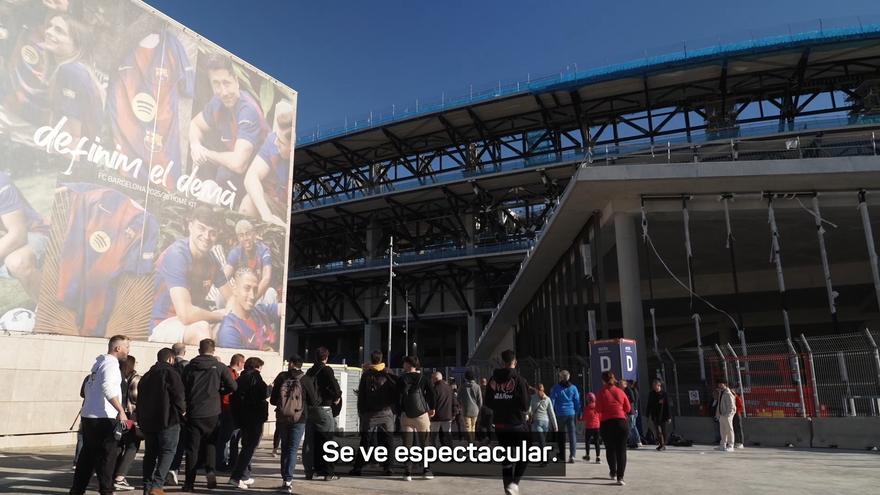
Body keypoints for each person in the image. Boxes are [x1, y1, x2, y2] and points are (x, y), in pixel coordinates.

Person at [188, 53, 268, 200]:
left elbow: (239, 163)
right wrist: (195, 146)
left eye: (226, 83)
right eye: (216, 84)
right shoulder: (217, 103)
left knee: (222, 176)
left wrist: (206, 154)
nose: (223, 92)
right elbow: (194, 125)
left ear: (237, 81)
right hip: (232, 175)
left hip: (262, 184)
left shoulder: (248, 110)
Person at [149, 206, 230, 345]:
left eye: (212, 232)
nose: (206, 236)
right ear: (190, 226)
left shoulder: (211, 259)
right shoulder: (176, 254)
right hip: (162, 322)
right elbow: (185, 314)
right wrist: (220, 315)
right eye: (201, 228)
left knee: (228, 330)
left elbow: (232, 298)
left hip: (193, 322)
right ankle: (209, 367)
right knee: (202, 329)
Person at [70, 335, 131, 495]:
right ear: (117, 348)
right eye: (127, 347)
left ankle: (77, 489)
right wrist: (121, 410)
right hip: (104, 418)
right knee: (107, 457)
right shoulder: (111, 365)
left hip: (89, 416)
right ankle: (106, 490)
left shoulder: (98, 365)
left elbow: (88, 389)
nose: (128, 350)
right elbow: (107, 387)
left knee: (87, 456)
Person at [180, 338, 237, 491]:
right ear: (213, 350)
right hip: (213, 412)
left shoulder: (190, 367)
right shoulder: (219, 367)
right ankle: (210, 473)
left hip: (194, 412)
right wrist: (220, 392)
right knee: (211, 444)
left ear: (199, 350)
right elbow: (233, 386)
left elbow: (182, 388)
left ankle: (188, 483)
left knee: (192, 449)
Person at [138, 347, 186, 495]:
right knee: (168, 451)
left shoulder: (146, 376)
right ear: (171, 359)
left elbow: (139, 399)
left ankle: (147, 485)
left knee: (150, 454)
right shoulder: (171, 373)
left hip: (148, 422)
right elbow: (178, 396)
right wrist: (182, 412)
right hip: (168, 420)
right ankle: (157, 485)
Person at [485, 349, 530, 495]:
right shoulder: (519, 380)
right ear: (514, 362)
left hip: (499, 424)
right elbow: (525, 405)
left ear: (502, 362)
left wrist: (500, 403)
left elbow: (488, 402)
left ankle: (508, 490)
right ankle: (514, 484)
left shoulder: (492, 379)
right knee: (525, 454)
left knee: (506, 459)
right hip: (516, 423)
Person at [0, 171, 49, 303]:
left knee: (17, 262)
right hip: (5, 242)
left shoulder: (1, 181)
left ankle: (52, 314)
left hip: (34, 233)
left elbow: (17, 234)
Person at [241, 110, 293, 226]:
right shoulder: (273, 141)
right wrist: (266, 215)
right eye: (277, 137)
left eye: (281, 142)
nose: (275, 142)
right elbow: (251, 177)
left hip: (294, 212)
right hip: (278, 204)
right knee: (249, 202)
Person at [350, 350, 397, 476]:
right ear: (381, 359)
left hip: (370, 413)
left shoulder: (367, 374)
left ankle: (358, 467)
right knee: (389, 440)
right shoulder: (388, 372)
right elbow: (395, 391)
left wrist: (361, 410)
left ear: (371, 359)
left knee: (365, 440)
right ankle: (388, 467)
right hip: (386, 412)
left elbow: (362, 395)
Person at [271, 354, 313, 492]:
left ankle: (284, 479)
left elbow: (272, 400)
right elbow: (314, 400)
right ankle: (288, 480)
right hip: (299, 418)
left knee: (284, 447)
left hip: (282, 418)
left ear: (291, 364)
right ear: (301, 365)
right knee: (293, 449)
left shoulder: (281, 377)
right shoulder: (306, 379)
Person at [216, 267, 281, 351]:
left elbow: (284, 309)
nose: (252, 296)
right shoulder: (229, 330)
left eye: (255, 289)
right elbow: (238, 362)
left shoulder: (260, 310)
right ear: (234, 289)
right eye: (247, 288)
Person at [228, 357, 268, 489]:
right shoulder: (256, 377)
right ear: (257, 367)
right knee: (249, 447)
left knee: (246, 446)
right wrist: (270, 389)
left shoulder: (240, 378)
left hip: (242, 418)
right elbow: (263, 394)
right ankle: (236, 477)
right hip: (254, 417)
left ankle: (244, 475)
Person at [303, 346, 342, 481]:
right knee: (326, 441)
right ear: (326, 357)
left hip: (310, 409)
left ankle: (310, 471)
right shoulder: (327, 369)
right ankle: (328, 472)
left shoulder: (309, 371)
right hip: (324, 409)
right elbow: (336, 389)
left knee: (310, 441)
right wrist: (336, 398)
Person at [397, 355, 436, 481]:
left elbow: (397, 397)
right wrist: (432, 408)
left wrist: (399, 412)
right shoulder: (423, 378)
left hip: (406, 416)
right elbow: (432, 394)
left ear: (408, 364)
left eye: (404, 363)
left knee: (407, 445)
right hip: (421, 415)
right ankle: (426, 470)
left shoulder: (401, 378)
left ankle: (407, 472)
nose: (403, 365)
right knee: (424, 443)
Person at [223, 220, 277, 305]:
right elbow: (224, 277)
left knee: (271, 293)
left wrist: (252, 298)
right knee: (220, 297)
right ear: (238, 238)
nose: (245, 238)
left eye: (248, 234)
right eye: (241, 236)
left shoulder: (263, 250)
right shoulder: (235, 252)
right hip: (242, 294)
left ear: (254, 234)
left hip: (258, 292)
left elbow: (266, 278)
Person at [595, 371, 631, 486]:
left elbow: (598, 409)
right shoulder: (620, 391)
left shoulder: (601, 393)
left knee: (610, 449)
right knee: (621, 450)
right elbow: (628, 408)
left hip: (607, 423)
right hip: (621, 423)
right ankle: (620, 477)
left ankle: (613, 472)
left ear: (603, 381)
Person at [112, 356, 141, 491]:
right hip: (130, 416)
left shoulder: (117, 377)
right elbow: (136, 398)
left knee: (119, 443)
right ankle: (120, 477)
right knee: (132, 445)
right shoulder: (135, 379)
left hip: (118, 416)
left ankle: (113, 473)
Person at [217, 354, 244, 472]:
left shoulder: (230, 372)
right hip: (227, 408)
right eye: (243, 363)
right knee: (225, 438)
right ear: (239, 363)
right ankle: (221, 462)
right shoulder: (230, 373)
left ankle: (229, 461)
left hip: (227, 407)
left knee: (230, 437)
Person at [166, 343, 188, 485]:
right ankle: (173, 468)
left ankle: (165, 467)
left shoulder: (166, 367)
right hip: (181, 409)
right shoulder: (188, 366)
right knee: (180, 441)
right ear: (184, 352)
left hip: (165, 408)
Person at [550, 370, 582, 463]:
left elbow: (552, 401)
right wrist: (578, 411)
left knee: (561, 435)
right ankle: (572, 455)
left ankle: (561, 455)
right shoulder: (573, 388)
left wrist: (551, 412)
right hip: (571, 413)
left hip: (560, 414)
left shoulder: (556, 388)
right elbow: (577, 401)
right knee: (572, 435)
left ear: (560, 377)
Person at [527, 383, 557, 466]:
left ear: (537, 389)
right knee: (542, 442)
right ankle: (543, 459)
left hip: (537, 423)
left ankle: (545, 459)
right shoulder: (548, 399)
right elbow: (551, 413)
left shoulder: (532, 398)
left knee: (541, 442)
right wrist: (555, 426)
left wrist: (527, 417)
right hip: (546, 423)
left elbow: (529, 410)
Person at [430, 371, 454, 448]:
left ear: (436, 378)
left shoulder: (434, 389)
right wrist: (453, 413)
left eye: (432, 378)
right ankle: (451, 450)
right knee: (448, 435)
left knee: (433, 436)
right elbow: (454, 401)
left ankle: (433, 451)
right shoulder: (449, 388)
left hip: (436, 416)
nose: (431, 380)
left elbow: (432, 402)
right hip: (447, 415)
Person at [646, 379, 671, 451]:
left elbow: (667, 406)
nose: (654, 387)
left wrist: (669, 417)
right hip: (655, 416)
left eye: (655, 385)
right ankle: (661, 444)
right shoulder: (651, 394)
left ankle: (663, 444)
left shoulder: (664, 394)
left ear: (659, 385)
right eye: (653, 385)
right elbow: (649, 405)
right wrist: (647, 415)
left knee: (664, 431)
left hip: (663, 415)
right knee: (658, 431)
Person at [458, 370, 482, 442]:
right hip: (475, 410)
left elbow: (458, 398)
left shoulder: (462, 387)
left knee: (468, 427)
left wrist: (462, 404)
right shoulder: (477, 387)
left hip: (466, 410)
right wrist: (479, 409)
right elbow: (480, 400)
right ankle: (472, 441)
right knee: (473, 427)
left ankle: (470, 442)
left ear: (466, 377)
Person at [715, 379, 736, 452]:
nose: (720, 385)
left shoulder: (728, 393)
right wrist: (718, 414)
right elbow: (719, 404)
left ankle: (731, 445)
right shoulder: (721, 392)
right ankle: (723, 445)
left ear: (725, 384)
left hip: (727, 415)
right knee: (722, 430)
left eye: (721, 384)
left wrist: (728, 414)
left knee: (729, 430)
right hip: (722, 414)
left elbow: (731, 405)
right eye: (719, 384)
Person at [581, 392, 601, 463]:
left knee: (587, 442)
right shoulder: (597, 407)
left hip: (589, 427)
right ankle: (598, 457)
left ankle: (587, 455)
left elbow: (583, 418)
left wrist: (580, 419)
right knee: (597, 442)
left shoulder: (586, 408)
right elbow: (600, 416)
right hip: (597, 427)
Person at [621, 380, 642, 448]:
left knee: (632, 426)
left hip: (630, 411)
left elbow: (632, 400)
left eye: (621, 384)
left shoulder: (629, 390)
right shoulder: (625, 390)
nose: (620, 385)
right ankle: (634, 441)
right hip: (630, 411)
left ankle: (636, 441)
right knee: (632, 426)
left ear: (625, 384)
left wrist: (633, 409)